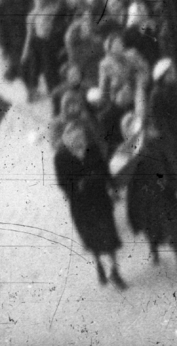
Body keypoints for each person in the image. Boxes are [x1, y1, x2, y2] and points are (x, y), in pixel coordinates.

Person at [53, 123, 126, 289]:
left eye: (82, 137)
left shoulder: (92, 149)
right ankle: (99, 263)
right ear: (67, 140)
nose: (81, 141)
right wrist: (80, 185)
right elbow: (63, 183)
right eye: (76, 139)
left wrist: (112, 187)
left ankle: (115, 271)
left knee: (110, 236)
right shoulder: (61, 157)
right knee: (92, 238)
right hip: (81, 206)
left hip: (100, 200)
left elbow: (104, 169)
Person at [125, 126, 177, 275]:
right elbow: (128, 180)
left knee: (173, 228)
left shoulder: (155, 144)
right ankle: (154, 250)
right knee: (153, 228)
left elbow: (168, 164)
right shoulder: (130, 153)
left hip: (164, 192)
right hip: (147, 198)